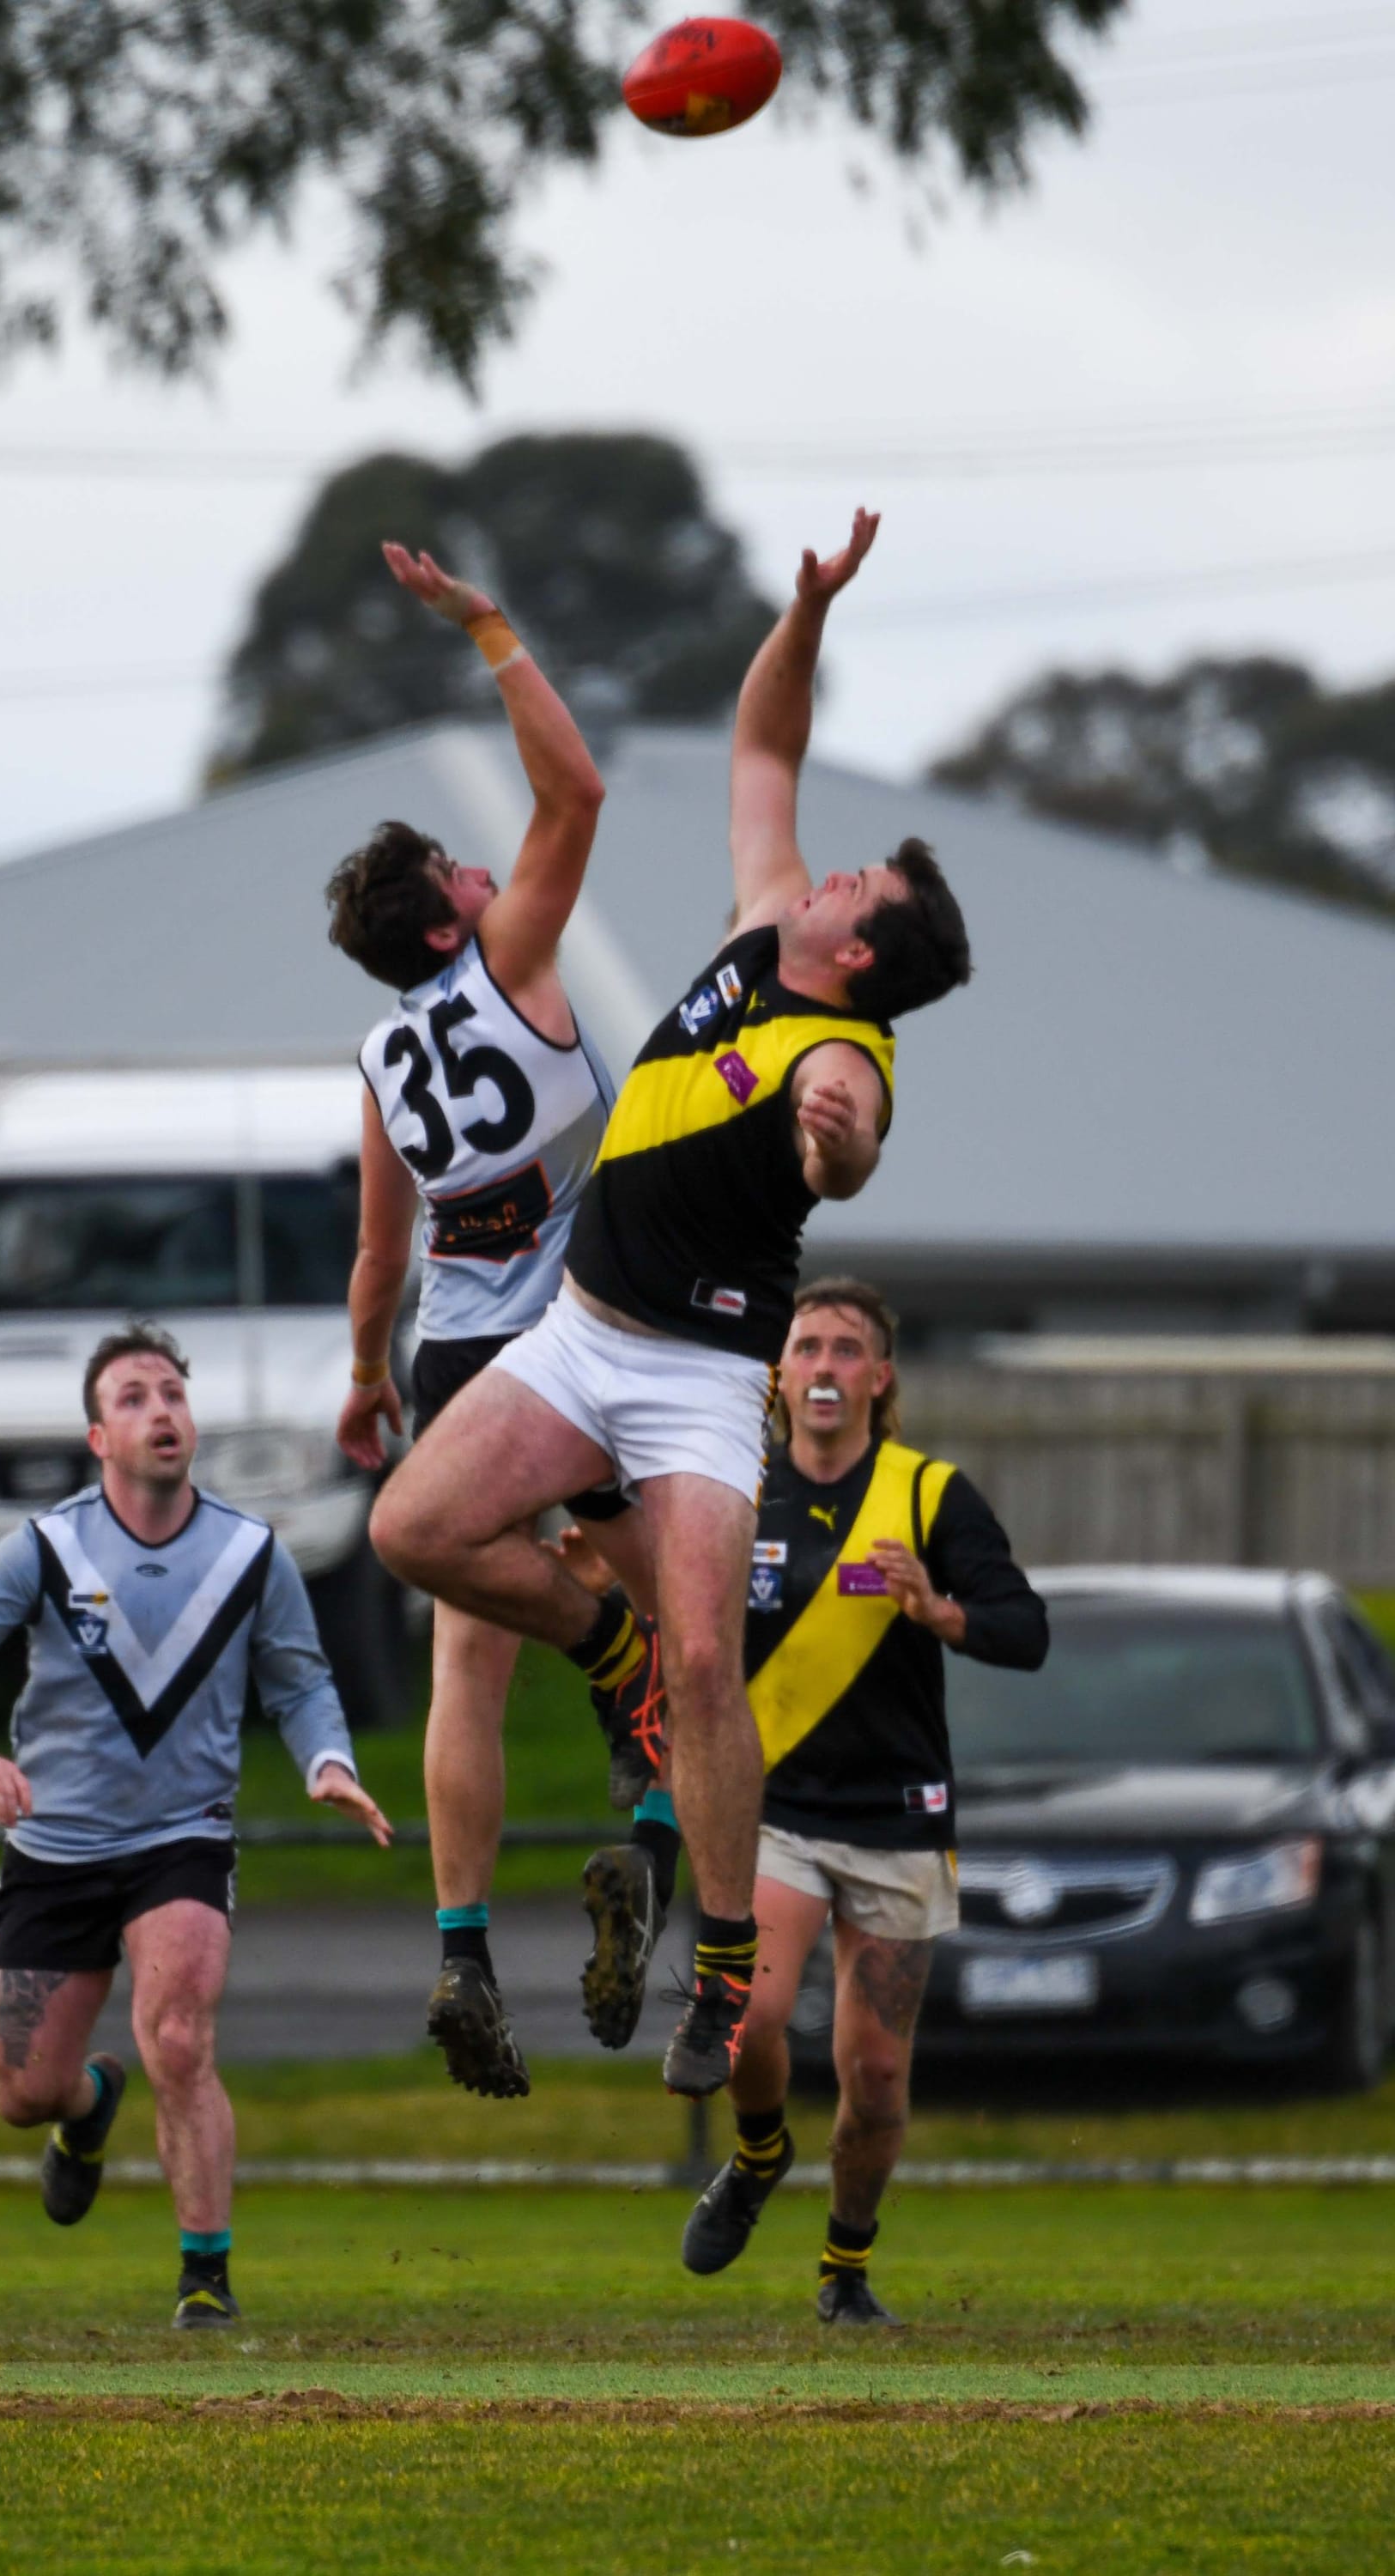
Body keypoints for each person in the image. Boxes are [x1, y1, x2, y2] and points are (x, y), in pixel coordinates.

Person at [371, 507, 973, 2100]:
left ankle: (719, 1970)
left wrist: (834, 1146)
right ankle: (602, 1639)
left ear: (865, 953)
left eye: (860, 882)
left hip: (703, 1371)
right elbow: (765, 744)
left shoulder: (846, 1053)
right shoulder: (768, 922)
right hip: (576, 1336)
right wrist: (809, 611)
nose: (832, 870)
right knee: (413, 1532)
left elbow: (845, 1154)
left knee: (710, 1662)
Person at [328, 538, 665, 2104]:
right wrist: (488, 628)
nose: (490, 871)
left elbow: (377, 1258)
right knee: (674, 1630)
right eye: (466, 872)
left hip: (455, 1359)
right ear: (449, 928)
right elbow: (576, 793)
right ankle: (649, 1843)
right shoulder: (514, 961)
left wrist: (362, 1379)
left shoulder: (381, 1060)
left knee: (469, 1662)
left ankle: (461, 1950)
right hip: (578, 1345)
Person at [0, 1321, 391, 2330]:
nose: (161, 1411)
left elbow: (300, 1684)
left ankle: (204, 2276)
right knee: (23, 2092)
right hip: (54, 1848)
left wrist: (327, 1763)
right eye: (133, 1398)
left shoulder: (249, 1553)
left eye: (172, 1393)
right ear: (98, 1438)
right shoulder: (46, 1547)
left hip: (181, 1841)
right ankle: (86, 2108)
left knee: (177, 2038)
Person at [677, 1278, 1047, 2324]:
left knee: (875, 2075)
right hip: (772, 1812)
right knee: (746, 2019)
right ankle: (758, 2154)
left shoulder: (926, 1494)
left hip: (896, 1818)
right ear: (778, 1374)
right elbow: (674, 1623)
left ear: (878, 1377)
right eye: (806, 1347)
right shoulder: (735, 1489)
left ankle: (844, 2268)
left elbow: (1025, 1630)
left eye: (846, 1349)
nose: (824, 1367)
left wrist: (937, 1609)